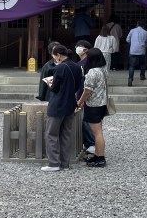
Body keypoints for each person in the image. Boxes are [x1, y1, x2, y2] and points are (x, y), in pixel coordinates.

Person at [42, 44, 81, 172]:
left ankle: (54, 163)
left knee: (51, 134)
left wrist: (49, 83)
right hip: (70, 104)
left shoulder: (59, 68)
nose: (54, 58)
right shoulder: (77, 67)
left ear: (59, 55)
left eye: (54, 56)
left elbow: (55, 88)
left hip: (58, 104)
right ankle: (65, 164)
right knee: (66, 135)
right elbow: (78, 86)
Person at [77, 48, 110, 168]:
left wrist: (80, 101)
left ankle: (100, 158)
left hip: (93, 104)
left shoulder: (92, 72)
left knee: (97, 132)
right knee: (98, 131)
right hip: (102, 102)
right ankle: (97, 155)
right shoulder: (103, 70)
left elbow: (87, 91)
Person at [126, 20, 147, 86]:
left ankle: (130, 78)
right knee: (142, 64)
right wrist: (144, 45)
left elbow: (127, 39)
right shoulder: (146, 32)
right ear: (143, 25)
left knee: (131, 66)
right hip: (141, 50)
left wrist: (132, 44)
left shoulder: (132, 31)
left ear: (137, 24)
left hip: (133, 50)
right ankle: (142, 76)